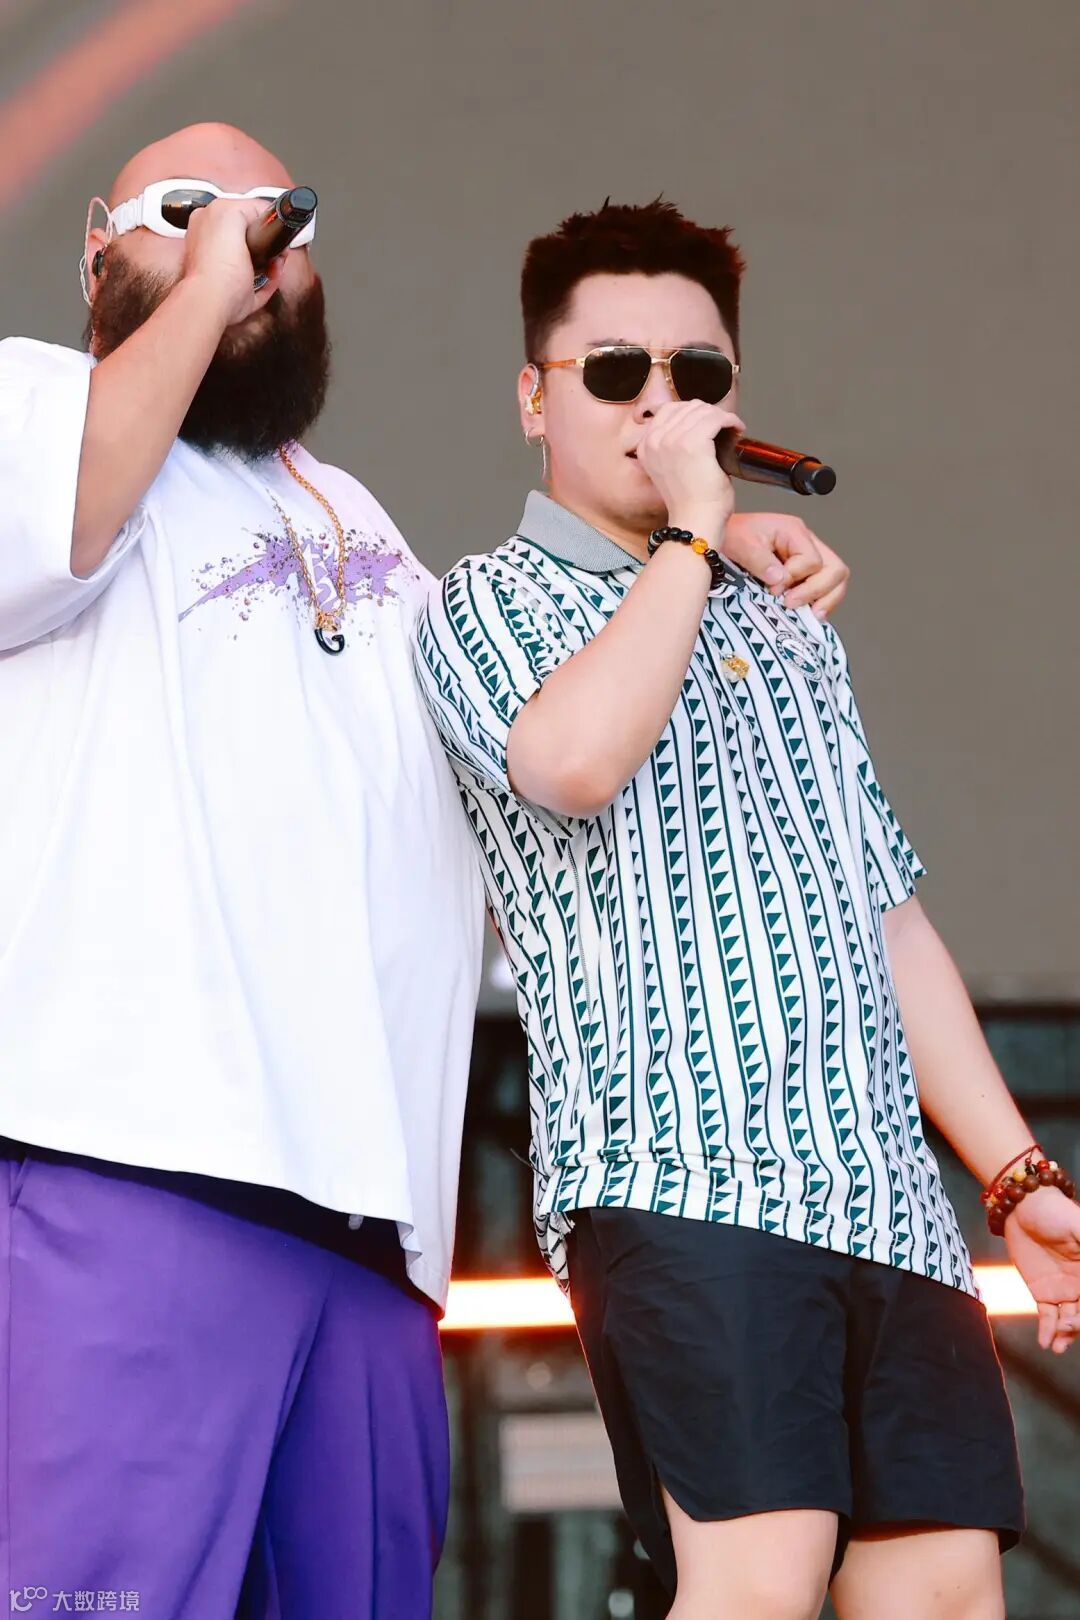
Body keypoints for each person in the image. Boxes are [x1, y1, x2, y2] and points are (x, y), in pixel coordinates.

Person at [413, 199, 1080, 1620]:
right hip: (683, 1183)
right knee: (755, 1588)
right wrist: (694, 540)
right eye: (616, 374)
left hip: (889, 1208)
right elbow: (572, 763)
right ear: (534, 399)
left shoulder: (783, 623)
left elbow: (885, 917)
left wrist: (1017, 1178)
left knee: (947, 1597)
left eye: (697, 375)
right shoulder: (489, 602)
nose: (661, 408)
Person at [0, 121, 488, 1619]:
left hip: (374, 1240)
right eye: (186, 208)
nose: (243, 236)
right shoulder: (38, 399)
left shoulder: (366, 524)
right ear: (98, 248)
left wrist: (698, 568)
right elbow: (62, 519)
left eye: (279, 220)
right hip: (129, 1172)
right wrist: (215, 276)